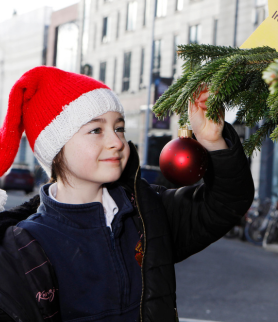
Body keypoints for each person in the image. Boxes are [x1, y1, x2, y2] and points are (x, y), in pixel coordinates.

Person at [0, 66, 254, 322]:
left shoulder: (147, 212)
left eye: (119, 128)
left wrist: (212, 141)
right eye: (96, 130)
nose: (117, 142)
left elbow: (228, 201)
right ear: (56, 148)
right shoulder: (26, 246)